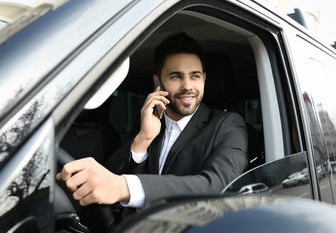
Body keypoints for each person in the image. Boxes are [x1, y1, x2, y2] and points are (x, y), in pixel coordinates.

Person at [56, 31, 248, 209]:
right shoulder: (148, 126)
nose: (188, 86)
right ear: (158, 82)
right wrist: (142, 140)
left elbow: (218, 185)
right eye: (176, 76)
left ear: (204, 80)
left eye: (195, 76)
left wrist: (122, 187)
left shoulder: (228, 125)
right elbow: (109, 180)